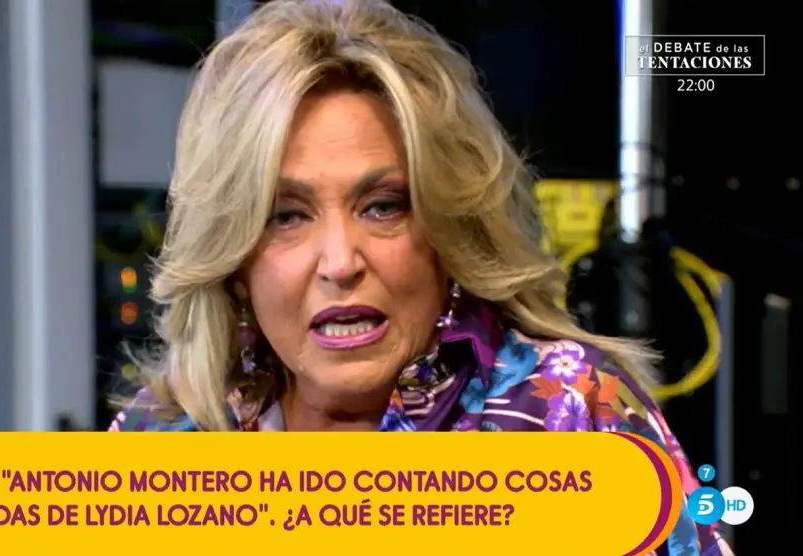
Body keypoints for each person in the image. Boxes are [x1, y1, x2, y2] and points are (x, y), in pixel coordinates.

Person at [110, 1, 731, 554]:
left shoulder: (571, 411)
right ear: (235, 258)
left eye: (383, 206)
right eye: (286, 216)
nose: (340, 262)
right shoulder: (165, 437)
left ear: (449, 228)